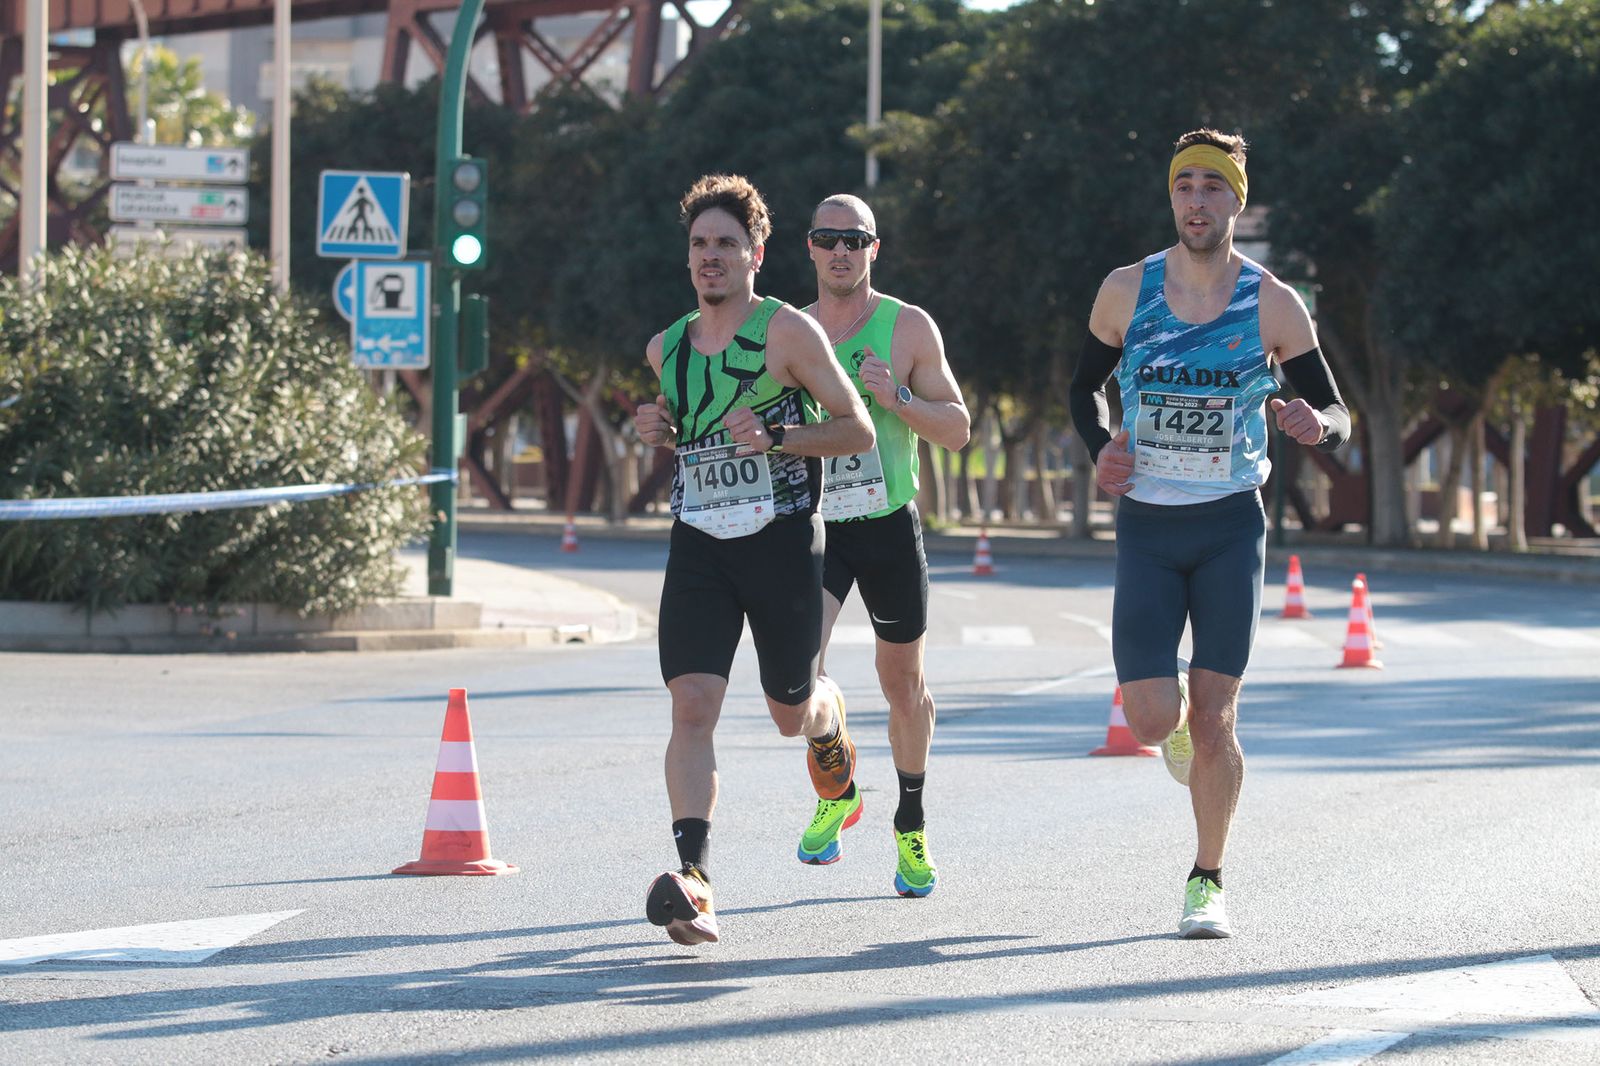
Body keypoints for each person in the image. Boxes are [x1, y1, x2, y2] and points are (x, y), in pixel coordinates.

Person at [1068, 130, 1351, 938]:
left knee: (1217, 712)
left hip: (1230, 522)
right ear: (1173, 198)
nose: (1198, 199)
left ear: (1237, 201)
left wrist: (1314, 425)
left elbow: (1336, 410)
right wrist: (1102, 451)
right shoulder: (1128, 289)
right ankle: (1181, 734)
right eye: (1185, 185)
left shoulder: (1272, 302)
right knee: (1157, 719)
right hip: (1149, 525)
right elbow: (1083, 387)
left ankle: (1207, 879)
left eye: (1213, 186)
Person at [633, 174, 875, 946]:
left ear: (756, 255)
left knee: (787, 713)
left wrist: (777, 438)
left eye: (727, 245)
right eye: (700, 244)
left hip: (780, 539)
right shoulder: (664, 347)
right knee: (691, 705)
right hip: (699, 541)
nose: (711, 258)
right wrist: (658, 427)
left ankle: (828, 719)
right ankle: (694, 880)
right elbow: (687, 430)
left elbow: (857, 429)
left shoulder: (786, 335)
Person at [795, 194, 970, 898]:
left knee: (904, 687)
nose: (841, 250)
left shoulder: (908, 327)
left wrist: (895, 397)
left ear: (874, 249)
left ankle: (910, 825)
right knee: (796, 675)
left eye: (855, 239)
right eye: (828, 237)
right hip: (815, 529)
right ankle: (837, 785)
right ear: (809, 248)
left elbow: (957, 428)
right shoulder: (789, 331)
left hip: (889, 525)